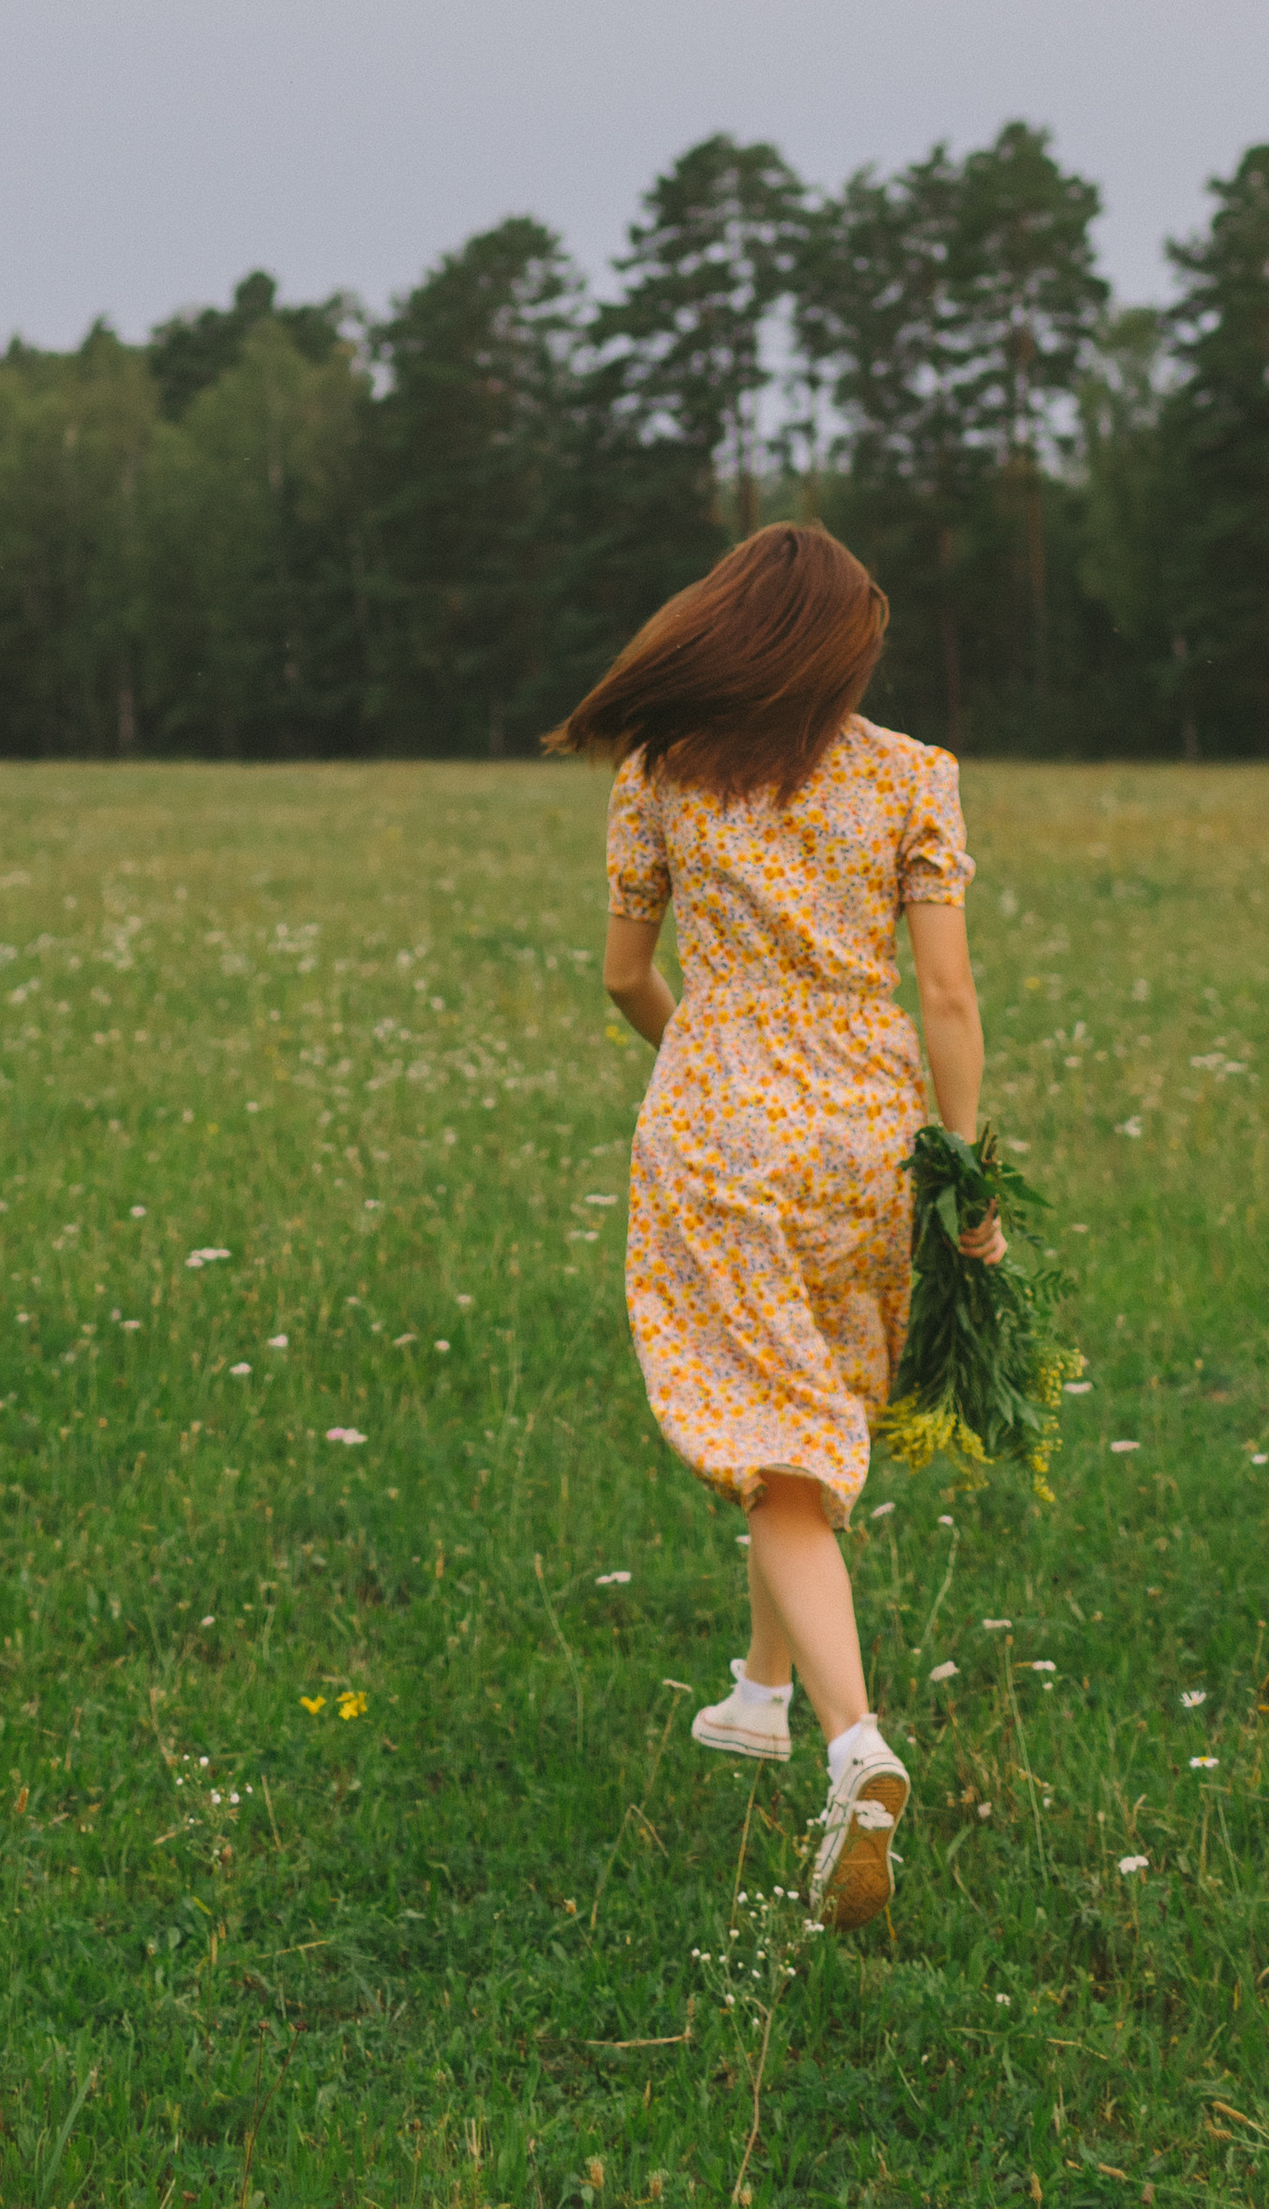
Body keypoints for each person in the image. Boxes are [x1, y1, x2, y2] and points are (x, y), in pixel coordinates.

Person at [546, 521, 1002, 1931]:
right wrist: (966, 1174)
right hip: (870, 1133)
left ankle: (855, 1744)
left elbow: (624, 977)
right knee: (802, 1418)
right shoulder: (914, 775)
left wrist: (711, 1064)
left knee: (772, 1431)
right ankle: (758, 1692)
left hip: (720, 1127)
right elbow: (948, 998)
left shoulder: (662, 774)